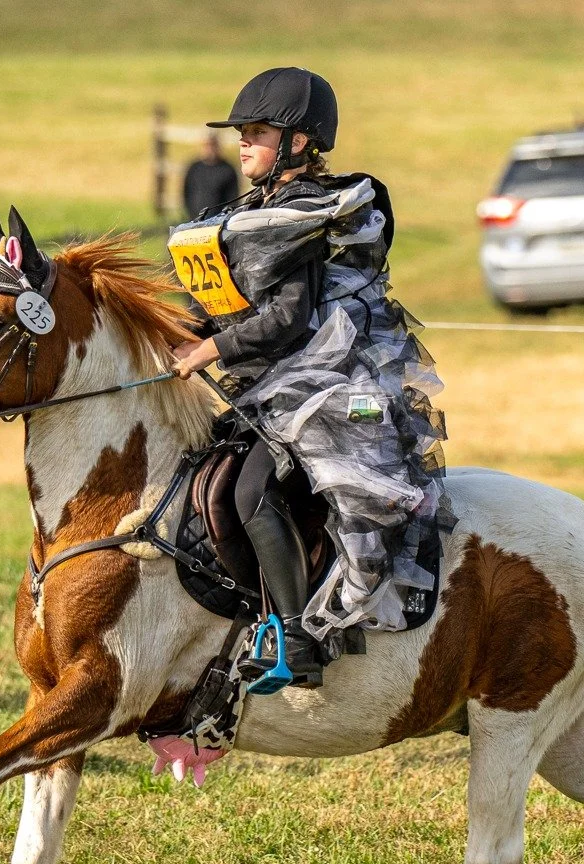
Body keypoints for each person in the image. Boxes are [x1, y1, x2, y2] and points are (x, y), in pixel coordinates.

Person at [168, 68, 453, 689]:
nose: (243, 143)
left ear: (298, 143)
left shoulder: (301, 215)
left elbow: (288, 318)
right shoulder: (251, 212)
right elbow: (224, 297)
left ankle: (296, 639)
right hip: (268, 392)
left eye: (258, 132)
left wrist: (208, 348)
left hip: (328, 389)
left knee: (250, 495)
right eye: (241, 132)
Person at [181, 133, 242, 219]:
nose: (210, 149)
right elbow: (186, 192)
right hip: (195, 218)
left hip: (219, 220)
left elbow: (233, 197)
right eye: (206, 145)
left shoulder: (227, 169)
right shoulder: (194, 168)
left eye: (213, 145)